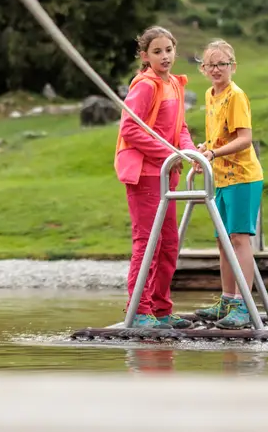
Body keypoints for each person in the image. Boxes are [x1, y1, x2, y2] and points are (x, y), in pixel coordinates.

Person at [114, 26, 198, 330]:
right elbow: (130, 129)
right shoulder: (145, 86)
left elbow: (181, 128)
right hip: (145, 174)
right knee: (148, 241)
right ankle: (139, 309)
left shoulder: (174, 84)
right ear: (145, 56)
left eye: (169, 50)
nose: (165, 56)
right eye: (157, 51)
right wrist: (169, 154)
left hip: (167, 174)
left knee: (168, 243)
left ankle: (161, 309)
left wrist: (189, 153)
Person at [194, 39, 264, 330]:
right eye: (210, 65)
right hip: (221, 177)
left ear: (232, 66)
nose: (216, 69)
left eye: (221, 64)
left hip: (243, 177)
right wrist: (204, 150)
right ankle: (226, 300)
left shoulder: (236, 96)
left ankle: (243, 305)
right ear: (203, 68)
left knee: (238, 238)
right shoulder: (210, 95)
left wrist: (214, 153)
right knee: (223, 241)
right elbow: (218, 136)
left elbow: (245, 138)